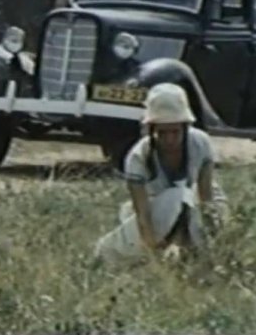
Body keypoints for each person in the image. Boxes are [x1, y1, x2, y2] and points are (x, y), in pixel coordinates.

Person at [94, 83, 229, 264]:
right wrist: (154, 253)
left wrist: (185, 239)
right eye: (162, 133)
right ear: (151, 130)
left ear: (186, 127)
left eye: (175, 132)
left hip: (197, 201)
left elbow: (205, 199)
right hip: (159, 207)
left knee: (200, 214)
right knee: (109, 254)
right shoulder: (138, 158)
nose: (169, 140)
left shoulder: (201, 144)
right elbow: (143, 213)